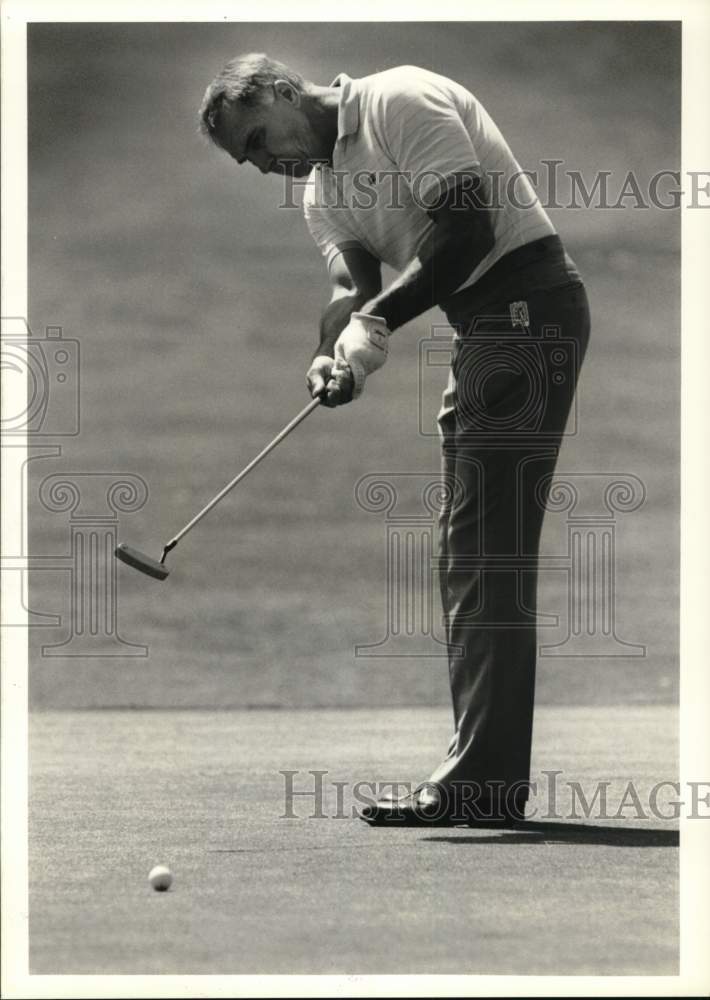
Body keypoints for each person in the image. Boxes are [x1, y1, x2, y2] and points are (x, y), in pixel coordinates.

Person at [199, 54, 590, 826]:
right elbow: (352, 291)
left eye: (257, 136)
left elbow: (467, 230)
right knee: (471, 549)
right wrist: (332, 354)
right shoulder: (323, 192)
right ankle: (487, 779)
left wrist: (376, 326)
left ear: (281, 90)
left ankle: (482, 782)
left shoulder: (399, 101)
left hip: (527, 309)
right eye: (247, 159)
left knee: (482, 548)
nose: (262, 162)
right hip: (485, 330)